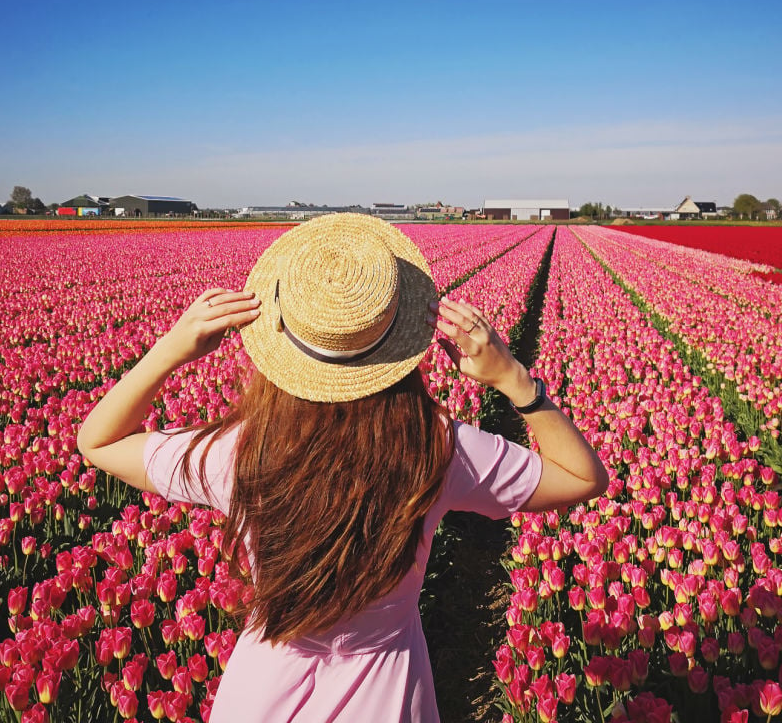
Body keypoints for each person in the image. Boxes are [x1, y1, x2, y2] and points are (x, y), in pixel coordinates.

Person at [77, 213, 608, 722]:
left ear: (279, 341)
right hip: (387, 692)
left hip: (260, 695)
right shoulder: (437, 448)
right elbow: (583, 478)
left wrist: (169, 350)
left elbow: (97, 441)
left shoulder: (238, 452)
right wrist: (515, 379)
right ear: (398, 338)